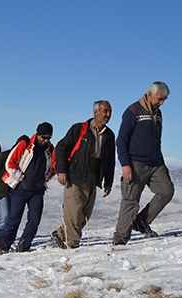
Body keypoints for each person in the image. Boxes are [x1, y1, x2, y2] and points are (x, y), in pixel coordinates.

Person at [113, 82, 174, 245]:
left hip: (155, 163)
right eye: (160, 99)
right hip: (135, 163)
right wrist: (125, 164)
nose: (161, 103)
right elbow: (121, 140)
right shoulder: (133, 111)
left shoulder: (158, 113)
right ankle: (119, 240)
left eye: (164, 100)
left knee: (167, 191)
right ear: (149, 94)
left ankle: (141, 222)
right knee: (131, 201)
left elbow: (157, 140)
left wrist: (161, 162)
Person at [52, 101, 116, 249]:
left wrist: (108, 182)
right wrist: (61, 170)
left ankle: (61, 234)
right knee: (74, 212)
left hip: (94, 176)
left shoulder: (109, 135)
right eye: (105, 111)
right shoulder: (80, 129)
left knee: (85, 214)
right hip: (75, 175)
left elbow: (110, 160)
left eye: (110, 112)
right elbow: (61, 147)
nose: (108, 115)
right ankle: (73, 245)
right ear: (95, 112)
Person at [0, 122, 56, 253]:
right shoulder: (25, 144)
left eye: (48, 138)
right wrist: (20, 178)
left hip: (38, 191)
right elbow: (10, 163)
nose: (46, 140)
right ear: (38, 134)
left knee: (34, 221)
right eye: (44, 137)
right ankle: (4, 247)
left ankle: (23, 247)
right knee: (14, 219)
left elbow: (53, 167)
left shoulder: (50, 149)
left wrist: (44, 179)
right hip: (21, 189)